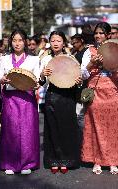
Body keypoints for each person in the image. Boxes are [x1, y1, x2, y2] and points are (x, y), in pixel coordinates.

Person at [81, 22, 118, 175]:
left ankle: (113, 161)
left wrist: (115, 68)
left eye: (101, 33)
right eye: (96, 33)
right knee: (95, 127)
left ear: (107, 35)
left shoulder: (116, 50)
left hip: (112, 93)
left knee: (113, 127)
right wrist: (92, 64)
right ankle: (97, 160)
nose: (98, 36)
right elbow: (83, 75)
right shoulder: (89, 51)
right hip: (95, 94)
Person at [0, 29, 40, 175]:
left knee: (27, 130)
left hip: (27, 98)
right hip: (10, 98)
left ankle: (27, 163)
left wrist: (36, 85)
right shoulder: (3, 59)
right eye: (14, 40)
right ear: (11, 42)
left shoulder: (34, 59)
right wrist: (2, 80)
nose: (17, 43)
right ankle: (9, 162)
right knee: (10, 130)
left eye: (20, 40)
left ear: (25, 42)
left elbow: (36, 81)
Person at [41, 31, 82, 174]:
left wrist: (78, 81)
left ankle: (66, 160)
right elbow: (41, 83)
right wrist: (42, 74)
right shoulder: (46, 59)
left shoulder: (71, 58)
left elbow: (78, 79)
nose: (56, 43)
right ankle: (53, 160)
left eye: (58, 40)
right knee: (52, 129)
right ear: (50, 43)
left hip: (67, 97)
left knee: (67, 129)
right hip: (52, 95)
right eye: (53, 41)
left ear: (63, 42)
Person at [71, 34, 88, 134]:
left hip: (83, 86)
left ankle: (83, 135)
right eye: (72, 43)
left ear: (81, 41)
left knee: (80, 114)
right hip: (77, 87)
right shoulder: (76, 53)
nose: (74, 44)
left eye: (75, 42)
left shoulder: (86, 53)